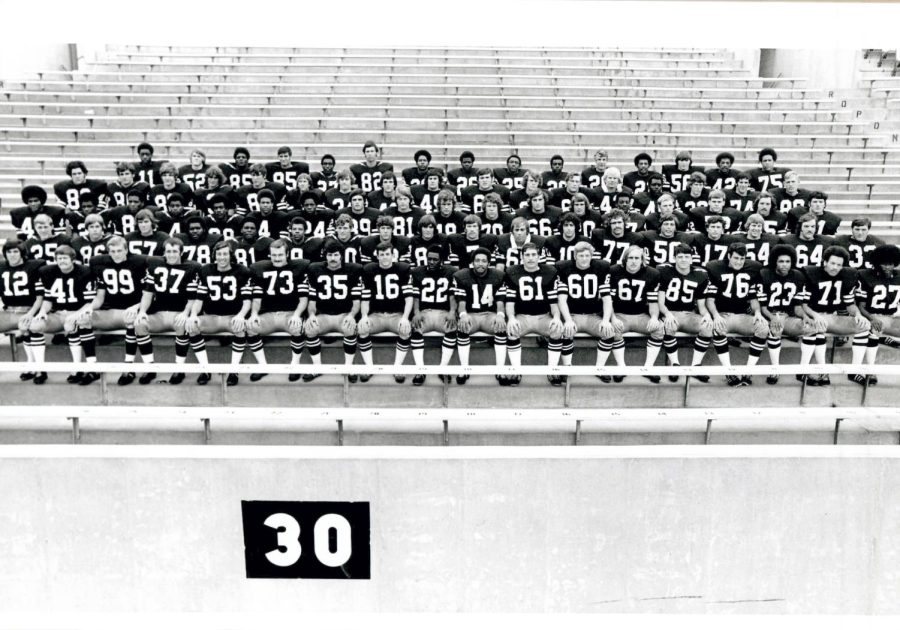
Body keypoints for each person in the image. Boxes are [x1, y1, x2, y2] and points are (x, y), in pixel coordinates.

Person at [796, 246, 870, 385]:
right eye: (832, 263)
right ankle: (804, 370)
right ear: (825, 262)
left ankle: (854, 371)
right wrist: (815, 315)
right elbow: (803, 304)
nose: (835, 267)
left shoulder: (847, 276)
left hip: (832, 316)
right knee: (817, 329)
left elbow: (850, 304)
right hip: (812, 315)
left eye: (839, 265)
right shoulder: (811, 274)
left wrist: (858, 314)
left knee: (864, 327)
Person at [136, 237, 202, 385]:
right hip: (159, 312)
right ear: (164, 252)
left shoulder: (191, 267)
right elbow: (147, 293)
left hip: (178, 312)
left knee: (182, 325)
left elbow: (193, 297)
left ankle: (179, 369)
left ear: (181, 252)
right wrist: (142, 311)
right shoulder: (155, 265)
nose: (171, 255)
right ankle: (150, 368)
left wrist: (185, 313)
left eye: (174, 251)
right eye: (168, 252)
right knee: (139, 324)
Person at [87, 236, 152, 385]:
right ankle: (92, 368)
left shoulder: (139, 263)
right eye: (113, 251)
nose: (116, 254)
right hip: (111, 308)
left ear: (126, 250)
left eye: (119, 251)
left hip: (133, 306)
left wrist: (137, 307)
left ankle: (128, 367)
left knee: (131, 320)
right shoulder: (100, 265)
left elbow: (148, 294)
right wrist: (89, 308)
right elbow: (100, 297)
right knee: (83, 320)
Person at [30, 245, 99, 385]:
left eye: (65, 258)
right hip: (57, 313)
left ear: (73, 259)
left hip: (77, 312)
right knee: (35, 326)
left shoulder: (85, 272)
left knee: (75, 324)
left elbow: (89, 302)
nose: (62, 261)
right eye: (59, 258)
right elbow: (48, 299)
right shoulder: (48, 272)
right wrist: (43, 312)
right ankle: (40, 369)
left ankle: (77, 368)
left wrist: (75, 315)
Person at [188, 240, 254, 386]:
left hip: (233, 316)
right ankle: (205, 369)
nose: (222, 257)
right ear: (214, 255)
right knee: (192, 327)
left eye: (225, 254)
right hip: (211, 316)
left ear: (230, 256)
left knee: (240, 328)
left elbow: (247, 301)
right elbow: (199, 300)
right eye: (219, 254)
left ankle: (234, 370)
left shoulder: (242, 271)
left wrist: (241, 315)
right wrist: (193, 315)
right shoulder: (206, 270)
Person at [703, 243, 768, 386]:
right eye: (736, 258)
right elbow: (710, 300)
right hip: (724, 314)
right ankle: (729, 371)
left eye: (742, 259)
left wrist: (757, 312)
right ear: (728, 257)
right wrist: (715, 315)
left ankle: (748, 371)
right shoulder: (716, 269)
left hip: (742, 316)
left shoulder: (751, 270)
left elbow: (753, 298)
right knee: (716, 327)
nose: (739, 262)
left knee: (763, 328)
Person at [246, 239, 309, 382]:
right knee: (251, 327)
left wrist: (298, 315)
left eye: (280, 255)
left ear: (287, 254)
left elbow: (303, 299)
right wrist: (254, 314)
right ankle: (263, 366)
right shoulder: (260, 269)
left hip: (290, 313)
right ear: (270, 255)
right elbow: (256, 298)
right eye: (274, 255)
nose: (277, 258)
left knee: (297, 325)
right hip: (269, 314)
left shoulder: (298, 268)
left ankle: (295, 365)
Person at [502, 242, 563, 386]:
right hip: (522, 316)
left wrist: (556, 317)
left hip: (543, 316)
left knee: (557, 329)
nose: (530, 258)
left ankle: (552, 370)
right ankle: (516, 371)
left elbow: (554, 303)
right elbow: (509, 302)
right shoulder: (512, 272)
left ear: (539, 256)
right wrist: (511, 318)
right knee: (511, 330)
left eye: (533, 255)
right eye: (527, 255)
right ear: (522, 257)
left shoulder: (549, 272)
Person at [303, 240, 363, 381]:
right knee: (310, 328)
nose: (333, 258)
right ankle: (317, 368)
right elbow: (312, 301)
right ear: (325, 256)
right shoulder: (315, 269)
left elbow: (356, 301)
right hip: (323, 315)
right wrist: (311, 315)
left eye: (336, 255)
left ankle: (348, 368)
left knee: (350, 328)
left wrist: (352, 315)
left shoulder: (353, 270)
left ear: (341, 256)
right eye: (330, 255)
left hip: (344, 315)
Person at [555, 241, 614, 380]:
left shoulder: (600, 268)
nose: (584, 258)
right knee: (566, 331)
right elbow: (561, 299)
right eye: (581, 255)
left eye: (587, 255)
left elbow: (607, 299)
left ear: (591, 256)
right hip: (573, 315)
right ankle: (567, 368)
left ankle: (600, 368)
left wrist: (606, 320)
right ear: (575, 256)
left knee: (608, 331)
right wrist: (568, 319)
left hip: (592, 316)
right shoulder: (565, 268)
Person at [604, 245, 664, 381]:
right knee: (613, 330)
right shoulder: (614, 271)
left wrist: (654, 317)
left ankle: (648, 368)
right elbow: (608, 300)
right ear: (625, 259)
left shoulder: (652, 274)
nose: (633, 261)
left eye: (637, 258)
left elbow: (653, 301)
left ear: (642, 260)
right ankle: (621, 367)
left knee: (659, 328)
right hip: (620, 314)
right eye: (630, 258)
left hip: (640, 315)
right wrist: (613, 318)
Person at [357, 242, 415, 382]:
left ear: (393, 255)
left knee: (405, 329)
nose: (384, 258)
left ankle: (397, 367)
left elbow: (409, 298)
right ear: (377, 256)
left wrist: (406, 317)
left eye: (387, 254)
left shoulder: (403, 269)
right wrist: (364, 316)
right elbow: (365, 299)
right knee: (362, 328)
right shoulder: (369, 270)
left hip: (397, 314)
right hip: (376, 315)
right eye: (381, 255)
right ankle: (369, 367)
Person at [656, 244, 712, 383]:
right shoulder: (664, 272)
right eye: (680, 257)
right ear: (674, 258)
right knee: (668, 326)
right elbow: (660, 302)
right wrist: (667, 314)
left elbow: (701, 306)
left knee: (707, 327)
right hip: (670, 312)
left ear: (692, 259)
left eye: (687, 257)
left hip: (688, 314)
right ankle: (675, 364)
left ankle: (696, 366)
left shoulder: (700, 274)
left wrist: (707, 315)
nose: (683, 260)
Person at [452, 247, 507, 385]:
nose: (480, 264)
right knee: (463, 326)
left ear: (489, 263)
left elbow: (500, 300)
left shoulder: (498, 276)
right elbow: (461, 301)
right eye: (477, 260)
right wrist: (463, 315)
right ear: (472, 262)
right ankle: (464, 369)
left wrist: (500, 315)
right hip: (471, 315)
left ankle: (500, 370)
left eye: (484, 261)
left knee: (500, 327)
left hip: (490, 314)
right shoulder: (462, 275)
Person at [756, 244, 809, 385]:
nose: (784, 265)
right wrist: (772, 317)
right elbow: (762, 307)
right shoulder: (764, 274)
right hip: (769, 314)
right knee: (776, 328)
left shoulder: (798, 276)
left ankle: (803, 370)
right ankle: (775, 369)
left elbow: (797, 307)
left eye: (788, 261)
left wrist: (805, 316)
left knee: (811, 328)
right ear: (774, 261)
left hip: (788, 315)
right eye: (781, 261)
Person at [408, 246, 459, 385]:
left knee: (452, 328)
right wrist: (416, 312)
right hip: (425, 312)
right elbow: (415, 295)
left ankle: (443, 368)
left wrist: (452, 312)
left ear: (441, 260)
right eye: (429, 259)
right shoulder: (418, 272)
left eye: (435, 259)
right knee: (416, 329)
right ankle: (420, 370)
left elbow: (452, 295)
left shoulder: (451, 272)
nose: (431, 262)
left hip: (443, 312)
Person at [852, 244, 900, 384]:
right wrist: (872, 318)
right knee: (869, 330)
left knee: (875, 331)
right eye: (883, 264)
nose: (887, 267)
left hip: (890, 316)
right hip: (870, 315)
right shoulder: (866, 275)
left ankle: (869, 369)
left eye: (890, 264)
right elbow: (861, 306)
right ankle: (860, 370)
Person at [0, 240, 46, 382]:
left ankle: (39, 368)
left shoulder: (34, 267)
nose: (12, 255)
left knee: (31, 327)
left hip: (29, 309)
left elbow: (40, 298)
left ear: (22, 253)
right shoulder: (1, 267)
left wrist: (31, 313)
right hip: (9, 312)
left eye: (15, 252)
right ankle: (31, 365)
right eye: (9, 252)